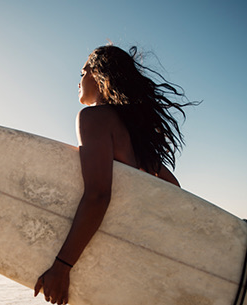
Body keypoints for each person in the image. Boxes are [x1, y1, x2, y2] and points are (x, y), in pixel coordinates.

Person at [34, 45, 196, 305]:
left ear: (98, 75)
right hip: (137, 257)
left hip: (116, 262)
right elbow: (173, 189)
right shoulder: (131, 133)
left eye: (82, 72)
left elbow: (98, 195)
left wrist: (62, 267)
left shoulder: (93, 118)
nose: (78, 82)